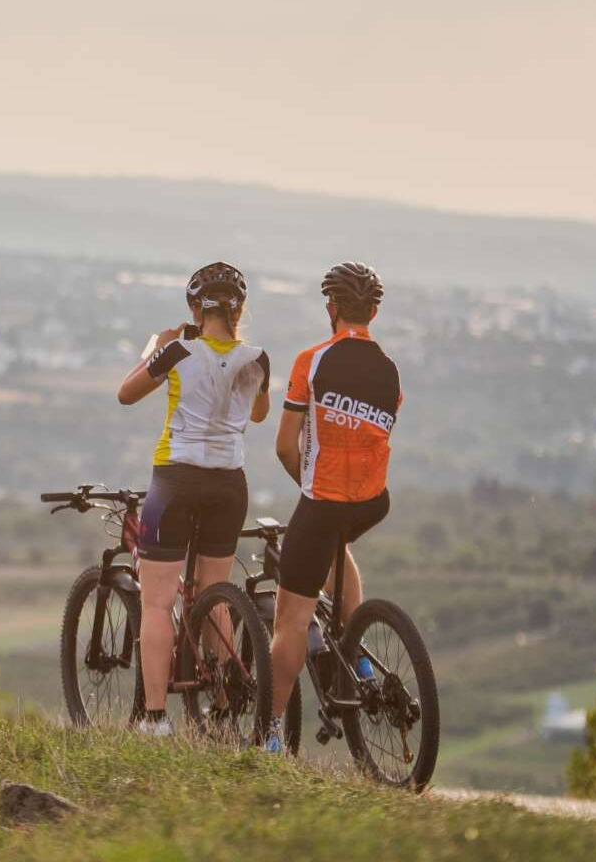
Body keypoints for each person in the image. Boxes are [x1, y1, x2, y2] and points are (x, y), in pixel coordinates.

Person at [115, 261, 272, 737]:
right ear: (240, 309)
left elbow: (126, 394)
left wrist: (156, 347)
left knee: (158, 601)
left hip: (177, 479)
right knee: (213, 594)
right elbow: (260, 413)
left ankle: (157, 720)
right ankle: (225, 700)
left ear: (193, 308)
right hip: (230, 483)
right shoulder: (258, 357)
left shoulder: (177, 350)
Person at [266, 261, 397, 752]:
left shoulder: (312, 361)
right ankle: (359, 654)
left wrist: (310, 486)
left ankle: (271, 732)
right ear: (375, 312)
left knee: (289, 622)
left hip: (324, 500)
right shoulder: (390, 369)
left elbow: (284, 446)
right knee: (335, 544)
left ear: (332, 308)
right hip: (372, 502)